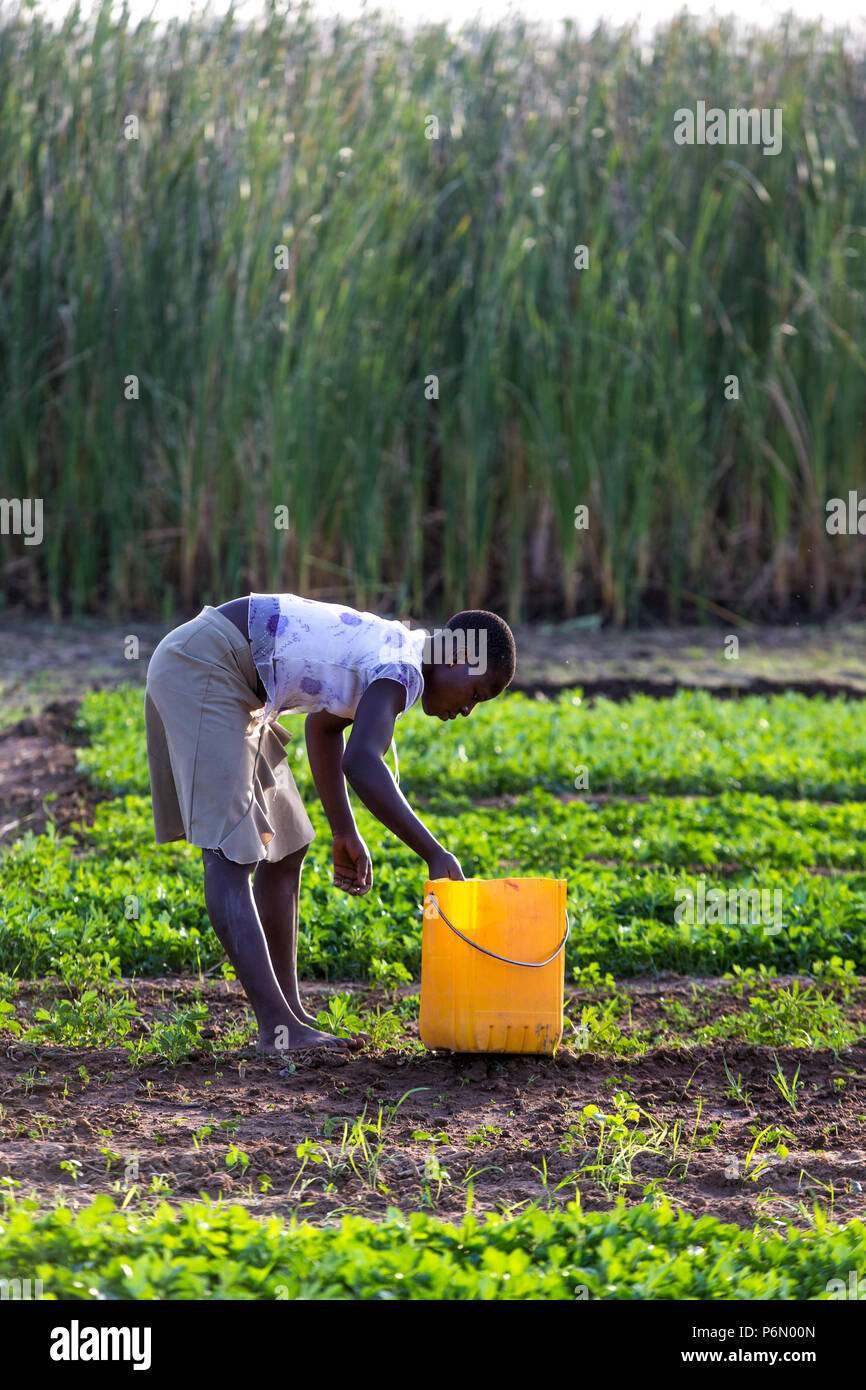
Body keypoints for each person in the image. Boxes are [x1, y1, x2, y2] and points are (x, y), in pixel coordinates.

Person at [144, 592, 516, 1054]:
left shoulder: (397, 653)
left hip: (237, 685)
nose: (466, 710)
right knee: (230, 854)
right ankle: (277, 1029)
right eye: (476, 694)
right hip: (205, 667)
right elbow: (362, 761)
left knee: (286, 843)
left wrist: (344, 830)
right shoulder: (401, 665)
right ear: (459, 655)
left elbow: (322, 727)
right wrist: (435, 853)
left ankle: (292, 1016)